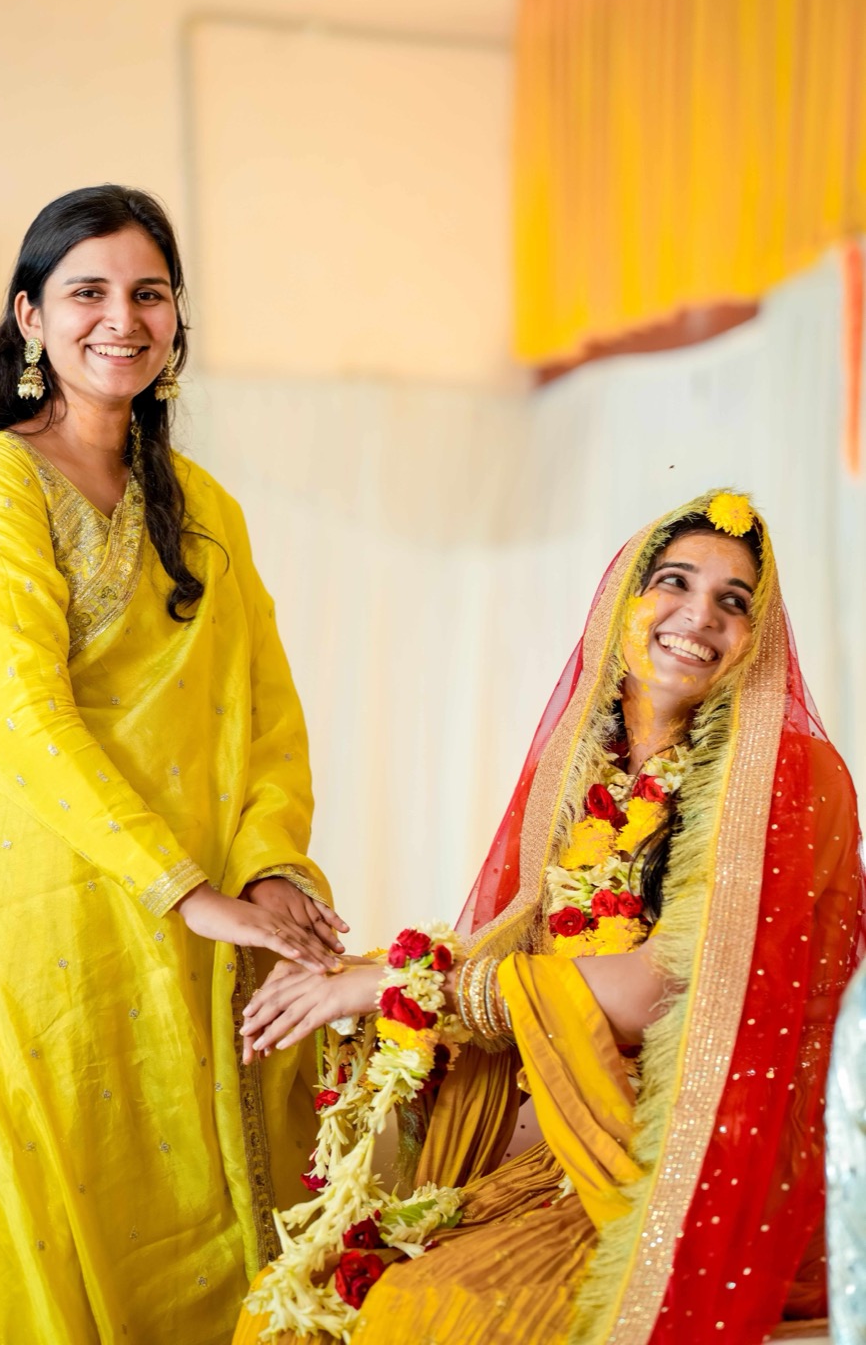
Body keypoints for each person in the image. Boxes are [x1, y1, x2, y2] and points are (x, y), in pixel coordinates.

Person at [0, 185, 347, 1345]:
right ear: (30, 319)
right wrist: (188, 891)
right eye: (87, 290)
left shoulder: (206, 510)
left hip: (195, 931)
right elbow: (20, 719)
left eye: (149, 291)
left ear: (176, 318)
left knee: (197, 1229)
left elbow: (267, 717)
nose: (122, 317)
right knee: (36, 1230)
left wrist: (268, 875)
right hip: (28, 925)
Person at [235, 492, 865, 1344]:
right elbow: (525, 946)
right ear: (621, 604)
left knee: (431, 1313)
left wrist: (397, 988)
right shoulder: (584, 763)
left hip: (685, 1156)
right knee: (299, 1294)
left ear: (760, 639)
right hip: (554, 1139)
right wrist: (360, 976)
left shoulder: (791, 776)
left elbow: (664, 990)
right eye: (674, 581)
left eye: (734, 600)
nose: (698, 616)